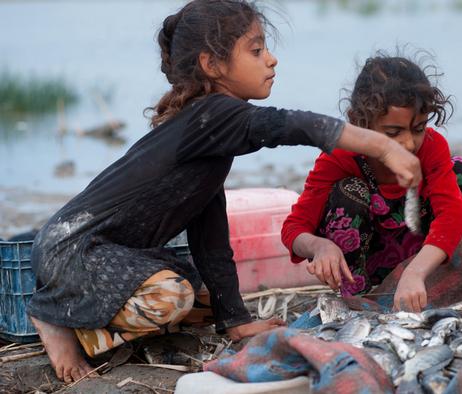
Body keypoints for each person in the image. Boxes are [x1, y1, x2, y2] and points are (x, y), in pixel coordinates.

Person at [27, 0, 423, 384]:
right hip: (73, 247)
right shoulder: (213, 114)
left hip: (103, 252)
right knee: (172, 298)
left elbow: (211, 240)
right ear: (212, 65)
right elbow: (292, 125)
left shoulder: (211, 135)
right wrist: (382, 145)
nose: (271, 59)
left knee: (198, 304)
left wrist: (234, 320)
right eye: (256, 50)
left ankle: (79, 313)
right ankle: (55, 318)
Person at [281, 54, 462, 313]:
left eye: (419, 128)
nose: (409, 143)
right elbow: (294, 228)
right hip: (366, 266)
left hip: (421, 258)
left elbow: (450, 215)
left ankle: (427, 279)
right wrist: (320, 247)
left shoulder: (432, 148)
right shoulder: (340, 157)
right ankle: (359, 300)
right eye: (393, 133)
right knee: (347, 192)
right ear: (359, 121)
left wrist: (415, 272)